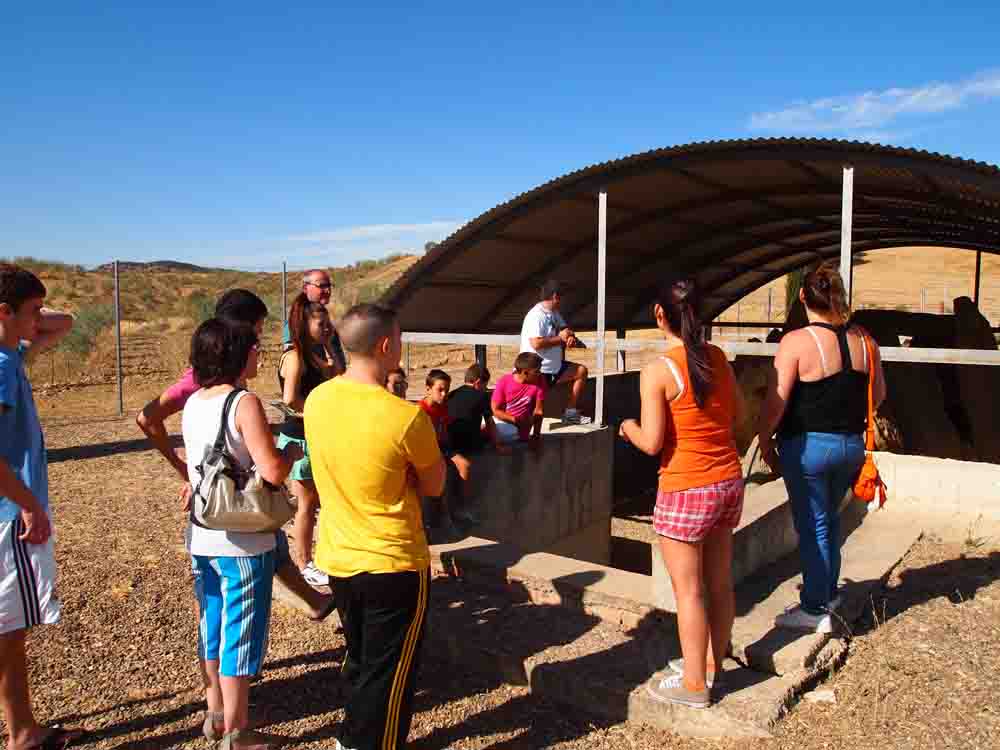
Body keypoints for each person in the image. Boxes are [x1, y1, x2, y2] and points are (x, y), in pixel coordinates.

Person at [136, 290, 333, 619]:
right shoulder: (201, 379)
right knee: (242, 564)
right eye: (257, 330)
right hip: (227, 498)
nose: (259, 339)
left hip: (241, 488)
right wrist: (186, 470)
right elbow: (148, 418)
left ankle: (312, 602)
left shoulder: (233, 376)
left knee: (270, 544)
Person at [305, 304, 445, 750]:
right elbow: (435, 484)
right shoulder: (405, 417)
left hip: (339, 559)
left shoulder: (318, 399)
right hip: (394, 562)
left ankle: (351, 737)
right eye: (400, 340)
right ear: (385, 346)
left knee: (364, 662)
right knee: (391, 676)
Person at [619, 278, 745, 710]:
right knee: (719, 581)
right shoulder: (719, 359)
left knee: (688, 591)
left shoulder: (658, 370)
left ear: (660, 314)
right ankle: (712, 663)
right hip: (727, 481)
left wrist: (627, 428)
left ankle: (694, 685)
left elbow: (653, 442)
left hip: (686, 487)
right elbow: (737, 416)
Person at [183, 319, 302, 750]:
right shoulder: (243, 402)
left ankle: (216, 712)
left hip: (203, 535)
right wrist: (289, 453)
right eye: (254, 346)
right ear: (235, 353)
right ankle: (238, 731)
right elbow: (270, 471)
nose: (259, 354)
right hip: (242, 542)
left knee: (212, 623)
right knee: (242, 632)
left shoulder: (194, 401)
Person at [757, 263, 885, 634]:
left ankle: (815, 607)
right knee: (829, 520)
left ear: (802, 296)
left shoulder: (796, 342)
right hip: (851, 447)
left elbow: (776, 401)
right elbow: (876, 396)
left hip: (808, 448)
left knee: (813, 526)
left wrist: (765, 439)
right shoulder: (865, 340)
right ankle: (827, 594)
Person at [0, 265, 83, 750]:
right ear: (6, 312)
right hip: (12, 517)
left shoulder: (13, 352)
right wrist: (30, 505)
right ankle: (24, 733)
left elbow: (65, 322)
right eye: (32, 311)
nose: (41, 320)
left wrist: (25, 316)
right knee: (10, 629)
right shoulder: (5, 365)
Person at [278, 293, 338, 587]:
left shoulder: (317, 352)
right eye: (321, 323)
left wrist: (328, 347)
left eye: (328, 323)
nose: (327, 327)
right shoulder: (296, 356)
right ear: (304, 325)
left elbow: (338, 376)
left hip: (317, 435)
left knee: (316, 501)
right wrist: (317, 412)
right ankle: (303, 563)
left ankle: (314, 558)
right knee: (306, 503)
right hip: (299, 438)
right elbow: (290, 399)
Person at [445, 363, 510, 522]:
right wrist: (498, 445)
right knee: (492, 432)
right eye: (485, 385)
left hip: (449, 441)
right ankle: (464, 507)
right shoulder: (482, 396)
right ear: (478, 382)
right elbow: (490, 423)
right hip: (468, 445)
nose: (484, 389)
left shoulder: (452, 394)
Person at [519, 280, 588, 424]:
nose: (562, 301)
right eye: (561, 297)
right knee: (535, 411)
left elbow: (565, 330)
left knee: (581, 371)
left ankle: (570, 414)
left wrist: (570, 337)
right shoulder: (536, 316)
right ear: (555, 296)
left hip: (554, 368)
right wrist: (560, 338)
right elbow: (536, 343)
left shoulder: (554, 313)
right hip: (538, 372)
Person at [419, 370, 460, 538]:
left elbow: (444, 433)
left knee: (463, 466)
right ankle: (442, 519)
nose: (444, 394)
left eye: (447, 390)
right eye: (440, 390)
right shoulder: (421, 410)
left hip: (440, 450)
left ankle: (457, 510)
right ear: (428, 389)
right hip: (426, 454)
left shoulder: (442, 408)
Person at [282, 269, 346, 373]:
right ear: (305, 288)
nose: (328, 290)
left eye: (329, 286)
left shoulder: (327, 320)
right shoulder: (295, 323)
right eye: (322, 286)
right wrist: (326, 367)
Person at [491, 352, 546, 446]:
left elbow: (539, 411)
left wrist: (536, 436)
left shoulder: (540, 381)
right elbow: (495, 410)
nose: (540, 373)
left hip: (517, 430)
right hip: (504, 422)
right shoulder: (505, 381)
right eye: (536, 371)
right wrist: (515, 420)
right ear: (525, 372)